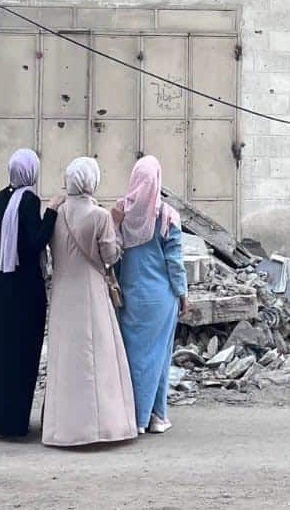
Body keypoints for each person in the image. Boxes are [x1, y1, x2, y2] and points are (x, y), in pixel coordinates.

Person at [42, 157, 137, 448]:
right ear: (91, 181)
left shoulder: (55, 214)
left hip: (62, 293)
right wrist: (117, 226)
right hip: (91, 291)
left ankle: (63, 429)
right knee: (98, 358)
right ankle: (103, 427)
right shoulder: (100, 216)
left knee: (66, 358)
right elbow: (110, 256)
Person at [0, 148, 62, 438]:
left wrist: (1, 257)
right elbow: (37, 241)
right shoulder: (29, 201)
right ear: (32, 172)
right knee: (22, 353)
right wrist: (51, 212)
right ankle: (14, 422)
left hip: (1, 286)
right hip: (26, 290)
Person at [112, 156, 187, 435]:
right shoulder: (166, 215)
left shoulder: (121, 212)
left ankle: (137, 415)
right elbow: (174, 261)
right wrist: (182, 294)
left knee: (134, 358)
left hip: (131, 295)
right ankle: (152, 417)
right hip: (161, 298)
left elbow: (114, 255)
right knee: (158, 357)